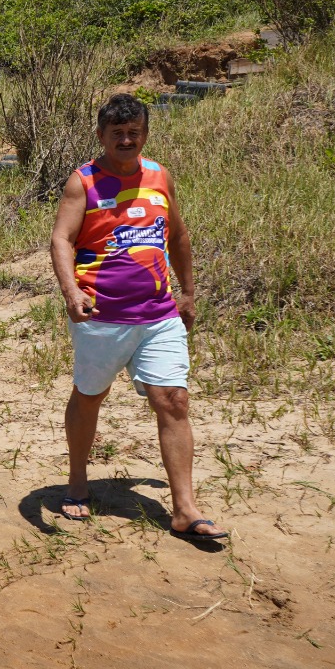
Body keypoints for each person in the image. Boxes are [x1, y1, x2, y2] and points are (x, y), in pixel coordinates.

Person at [49, 93, 226, 541]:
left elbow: (178, 236)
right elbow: (61, 241)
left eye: (134, 133)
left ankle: (185, 508)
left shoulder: (159, 175)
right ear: (101, 136)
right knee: (90, 397)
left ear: (145, 133)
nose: (126, 141)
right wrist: (71, 291)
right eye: (117, 134)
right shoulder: (83, 182)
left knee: (174, 401)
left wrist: (187, 293)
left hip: (158, 313)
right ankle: (77, 482)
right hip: (101, 316)